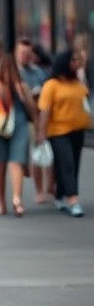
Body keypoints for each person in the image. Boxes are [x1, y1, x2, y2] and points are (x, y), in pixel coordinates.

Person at [0, 53, 37, 216]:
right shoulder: (15, 85)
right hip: (12, 124)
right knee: (11, 163)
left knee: (6, 163)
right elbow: (32, 111)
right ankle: (12, 200)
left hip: (0, 125)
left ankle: (6, 201)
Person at [37, 48, 90, 217]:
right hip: (59, 131)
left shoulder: (78, 84)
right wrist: (41, 133)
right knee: (67, 163)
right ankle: (73, 199)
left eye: (77, 61)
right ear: (64, 63)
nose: (76, 64)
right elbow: (45, 110)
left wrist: (82, 75)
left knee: (72, 163)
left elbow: (86, 101)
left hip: (78, 130)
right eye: (73, 61)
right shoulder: (51, 85)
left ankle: (60, 195)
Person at [16, 37, 51, 203]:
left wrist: (38, 93)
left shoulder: (38, 72)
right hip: (19, 118)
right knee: (22, 158)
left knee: (39, 154)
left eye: (28, 53)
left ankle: (42, 190)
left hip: (36, 118)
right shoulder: (14, 72)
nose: (25, 56)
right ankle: (25, 168)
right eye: (22, 53)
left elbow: (47, 91)